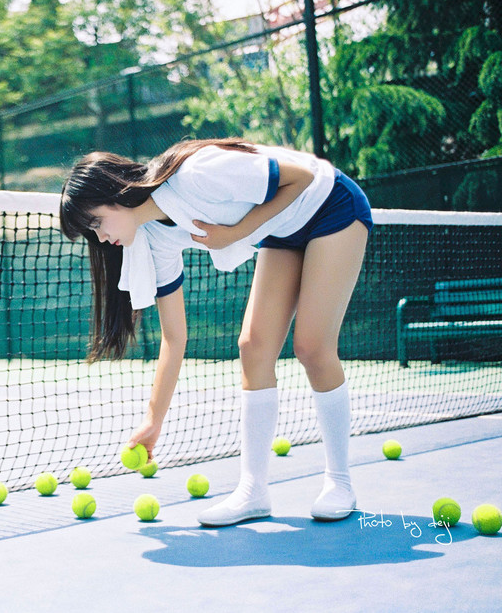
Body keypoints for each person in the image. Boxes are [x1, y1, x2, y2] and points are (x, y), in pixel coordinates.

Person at [59, 138, 372, 526]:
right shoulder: (153, 238)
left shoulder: (196, 174)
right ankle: (253, 492)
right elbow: (175, 338)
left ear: (116, 195)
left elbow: (302, 178)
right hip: (283, 229)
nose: (101, 238)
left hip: (330, 204)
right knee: (253, 347)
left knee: (311, 347)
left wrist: (235, 233)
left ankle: (339, 482)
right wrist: (153, 421)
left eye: (96, 224)